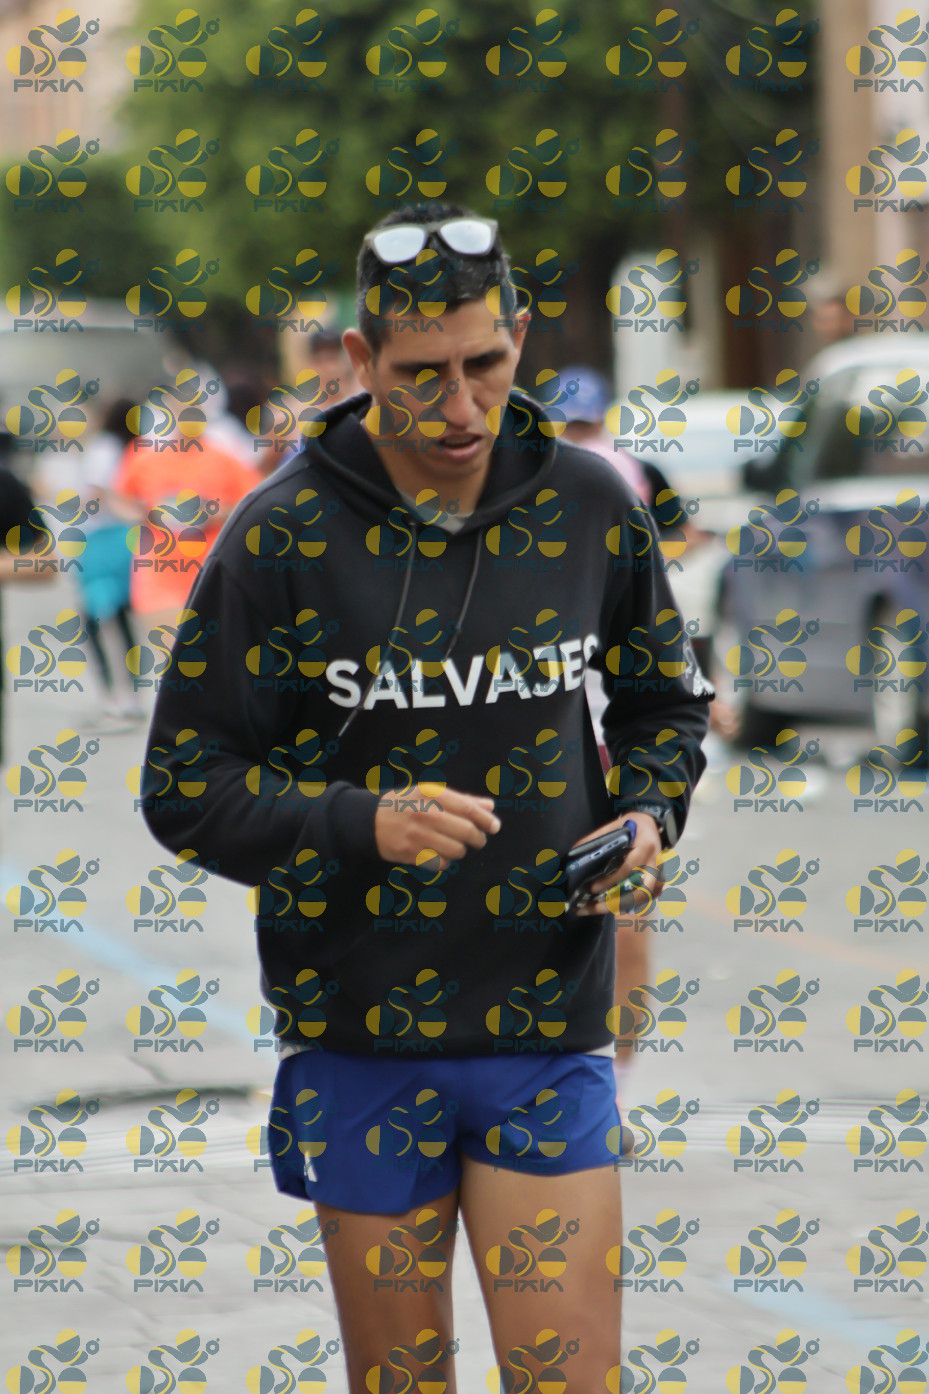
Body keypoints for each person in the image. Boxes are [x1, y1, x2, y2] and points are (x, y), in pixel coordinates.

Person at [140, 204, 712, 1389]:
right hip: (362, 1034)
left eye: (485, 364)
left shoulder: (589, 503)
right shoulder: (280, 535)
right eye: (420, 375)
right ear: (360, 360)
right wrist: (360, 821)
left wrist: (648, 812)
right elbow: (184, 785)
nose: (459, 406)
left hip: (544, 1022)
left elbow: (664, 703)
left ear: (518, 338)